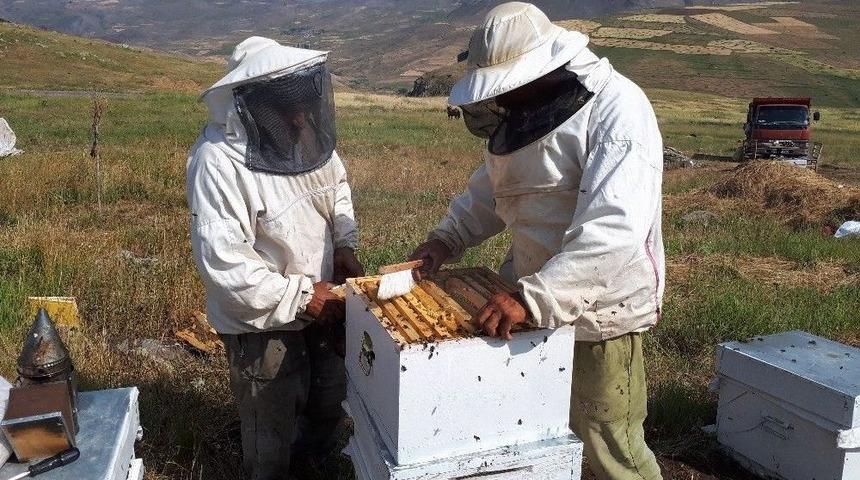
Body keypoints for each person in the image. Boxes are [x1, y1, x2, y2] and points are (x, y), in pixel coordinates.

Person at [409, 3, 664, 479]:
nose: (503, 98)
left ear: (545, 68)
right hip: (525, 301)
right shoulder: (525, 115)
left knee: (611, 445)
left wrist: (533, 298)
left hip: (599, 312)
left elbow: (615, 228)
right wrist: (444, 240)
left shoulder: (617, 109)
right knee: (529, 431)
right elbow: (492, 190)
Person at [186, 37, 364, 480]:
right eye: (287, 109)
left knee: (329, 397)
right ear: (252, 107)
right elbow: (225, 264)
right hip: (261, 320)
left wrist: (344, 244)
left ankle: (313, 465)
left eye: (305, 105)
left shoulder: (310, 139)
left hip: (322, 297)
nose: (301, 118)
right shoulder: (216, 162)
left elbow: (336, 187)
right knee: (272, 423)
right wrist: (303, 296)